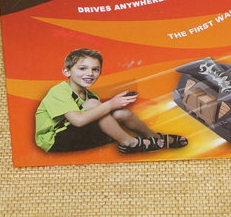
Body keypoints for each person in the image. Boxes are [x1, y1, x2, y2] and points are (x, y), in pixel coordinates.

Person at [35, 48, 187, 154]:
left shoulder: (90, 94)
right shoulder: (59, 91)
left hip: (78, 135)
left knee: (121, 113)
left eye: (95, 69)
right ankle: (130, 143)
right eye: (82, 68)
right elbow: (78, 121)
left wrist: (117, 104)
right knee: (95, 105)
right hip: (54, 140)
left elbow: (100, 117)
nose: (90, 73)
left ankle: (154, 137)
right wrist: (111, 104)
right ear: (67, 71)